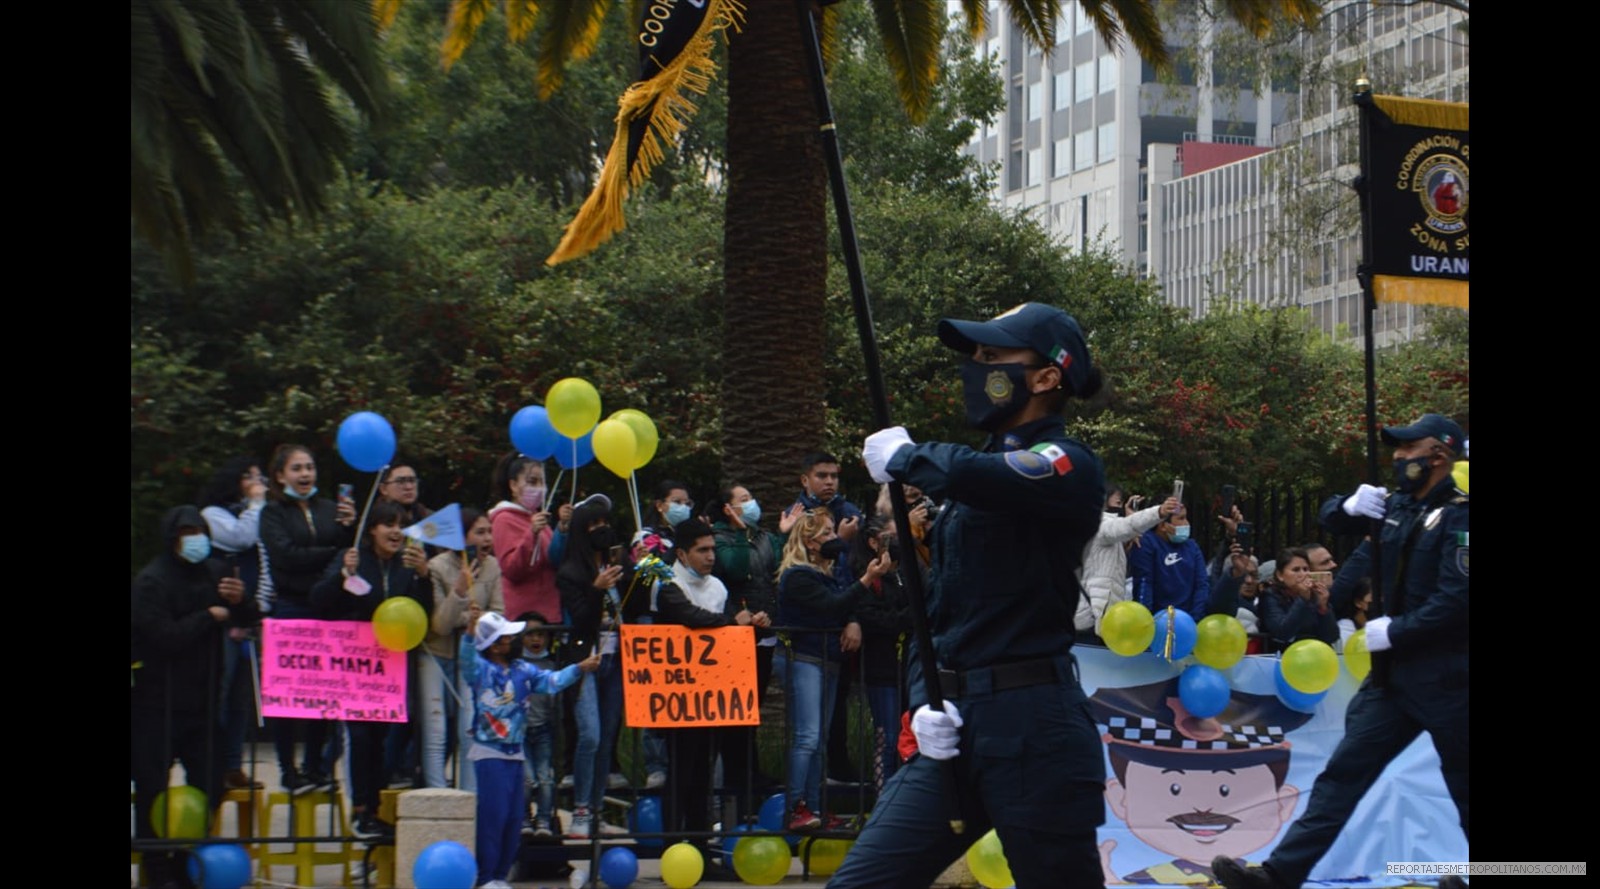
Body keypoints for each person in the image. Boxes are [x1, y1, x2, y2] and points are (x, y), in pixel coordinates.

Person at [836, 302, 1109, 888]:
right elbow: (939, 616)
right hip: (954, 728)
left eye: (992, 356)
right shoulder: (971, 479)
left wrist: (911, 458)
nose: (977, 367)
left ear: (1045, 377)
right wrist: (922, 700)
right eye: (977, 356)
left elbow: (999, 476)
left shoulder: (1067, 465)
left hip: (1035, 728)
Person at [1213, 413, 1468, 889]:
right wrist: (1347, 504)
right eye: (1395, 449)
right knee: (1341, 777)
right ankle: (1279, 875)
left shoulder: (1462, 516)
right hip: (1392, 681)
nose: (1397, 458)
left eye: (1409, 449)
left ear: (1439, 456)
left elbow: (1459, 598)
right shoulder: (1394, 508)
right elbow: (1329, 520)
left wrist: (1399, 631)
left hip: (1449, 678)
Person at [132, 505, 258, 889]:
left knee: (211, 780)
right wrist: (210, 615)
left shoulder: (216, 572)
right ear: (173, 538)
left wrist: (240, 601)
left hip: (203, 704)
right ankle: (156, 868)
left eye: (200, 530)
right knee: (152, 788)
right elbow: (164, 636)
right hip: (156, 704)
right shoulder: (150, 582)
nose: (196, 539)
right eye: (188, 532)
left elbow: (248, 618)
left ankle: (185, 859)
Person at [653, 518, 770, 878]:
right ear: (682, 553)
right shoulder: (666, 584)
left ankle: (702, 852)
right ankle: (674, 850)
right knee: (681, 772)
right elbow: (690, 617)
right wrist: (734, 623)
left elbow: (727, 622)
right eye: (702, 551)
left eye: (712, 550)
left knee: (703, 774)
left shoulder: (718, 586)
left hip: (710, 694)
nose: (709, 557)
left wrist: (752, 623)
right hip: (677, 696)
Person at [310, 499, 434, 837]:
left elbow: (424, 613)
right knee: (359, 737)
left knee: (383, 741)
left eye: (401, 525)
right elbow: (319, 602)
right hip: (356, 666)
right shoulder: (352, 558)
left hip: (391, 667)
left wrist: (424, 577)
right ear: (372, 529)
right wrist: (342, 577)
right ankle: (360, 809)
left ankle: (374, 808)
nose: (396, 531)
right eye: (388, 524)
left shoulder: (408, 566)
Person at [461, 611, 598, 889]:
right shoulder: (481, 670)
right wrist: (468, 633)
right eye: (507, 637)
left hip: (516, 753)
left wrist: (579, 668)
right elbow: (466, 660)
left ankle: (500, 876)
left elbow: (551, 682)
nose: (514, 640)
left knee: (513, 819)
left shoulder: (522, 670)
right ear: (494, 645)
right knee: (493, 816)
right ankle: (486, 876)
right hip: (490, 754)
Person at [775, 509, 886, 832]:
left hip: (828, 659)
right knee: (807, 736)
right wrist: (868, 578)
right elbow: (832, 605)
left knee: (820, 739)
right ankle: (796, 806)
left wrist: (852, 617)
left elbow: (846, 601)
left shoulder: (830, 571)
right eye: (826, 534)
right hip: (804, 658)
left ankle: (816, 807)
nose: (833, 539)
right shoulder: (798, 576)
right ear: (809, 542)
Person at [258, 443, 355, 794]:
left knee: (324, 695)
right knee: (287, 695)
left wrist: (346, 529)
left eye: (309, 467)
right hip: (291, 608)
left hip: (327, 607)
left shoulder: (330, 509)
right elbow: (285, 555)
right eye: (297, 468)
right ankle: (289, 769)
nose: (305, 475)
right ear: (280, 475)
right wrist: (331, 554)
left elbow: (349, 552)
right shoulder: (271, 514)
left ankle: (316, 766)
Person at [706, 483, 783, 810]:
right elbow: (737, 568)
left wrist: (780, 536)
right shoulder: (722, 539)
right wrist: (738, 535)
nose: (752, 503)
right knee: (735, 713)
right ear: (728, 508)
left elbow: (775, 567)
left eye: (751, 497)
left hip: (764, 634)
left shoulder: (762, 536)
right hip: (736, 636)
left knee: (751, 711)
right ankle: (738, 779)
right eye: (744, 499)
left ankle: (752, 773)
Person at [554, 493, 626, 838]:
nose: (601, 529)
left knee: (608, 736)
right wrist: (596, 590)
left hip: (615, 660)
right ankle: (580, 809)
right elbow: (581, 620)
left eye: (604, 523)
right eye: (594, 524)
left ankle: (597, 808)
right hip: (585, 659)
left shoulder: (615, 565)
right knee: (591, 735)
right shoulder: (570, 572)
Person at [198, 456, 271, 790]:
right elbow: (241, 538)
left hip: (249, 614)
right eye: (251, 478)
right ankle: (213, 764)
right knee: (222, 691)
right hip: (224, 620)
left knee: (242, 696)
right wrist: (257, 505)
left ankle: (233, 765)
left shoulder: (256, 514)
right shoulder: (214, 515)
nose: (259, 484)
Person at [421, 508, 503, 789]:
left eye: (489, 531)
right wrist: (458, 593)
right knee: (436, 730)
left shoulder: (492, 566)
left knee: (469, 728)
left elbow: (497, 615)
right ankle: (437, 799)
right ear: (461, 536)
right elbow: (441, 625)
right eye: (479, 532)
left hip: (471, 655)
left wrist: (473, 621)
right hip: (436, 652)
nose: (487, 538)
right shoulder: (436, 567)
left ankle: (470, 801)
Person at [1076, 486, 1179, 640]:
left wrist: (1125, 545)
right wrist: (1159, 512)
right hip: (1093, 619)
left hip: (1093, 617)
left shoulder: (1080, 525)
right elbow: (1127, 526)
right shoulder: (1100, 525)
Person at [488, 452, 570, 628]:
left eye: (543, 482)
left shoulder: (540, 520)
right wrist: (531, 534)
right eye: (532, 482)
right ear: (513, 485)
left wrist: (562, 529)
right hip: (524, 618)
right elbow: (512, 569)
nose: (540, 488)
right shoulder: (504, 519)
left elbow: (555, 559)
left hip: (549, 614)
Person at [513, 612, 561, 837]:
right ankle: (523, 818)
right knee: (526, 778)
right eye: (530, 634)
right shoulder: (516, 664)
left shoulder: (551, 663)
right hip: (521, 730)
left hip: (543, 729)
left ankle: (543, 820)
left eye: (541, 635)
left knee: (545, 778)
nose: (536, 640)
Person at [1129, 504, 1210, 626]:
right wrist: (1147, 622)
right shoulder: (1146, 544)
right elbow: (1144, 584)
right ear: (1163, 525)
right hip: (1156, 623)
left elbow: (1202, 585)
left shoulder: (1192, 546)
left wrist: (1194, 620)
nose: (1187, 523)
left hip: (1188, 622)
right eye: (1181, 519)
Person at [1257, 547, 1338, 652]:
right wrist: (1302, 599)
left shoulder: (1314, 595)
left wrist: (1323, 607)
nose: (1303, 574)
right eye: (1296, 570)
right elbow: (1282, 632)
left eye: (1306, 569)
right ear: (1280, 575)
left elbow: (1332, 637)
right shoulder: (1270, 596)